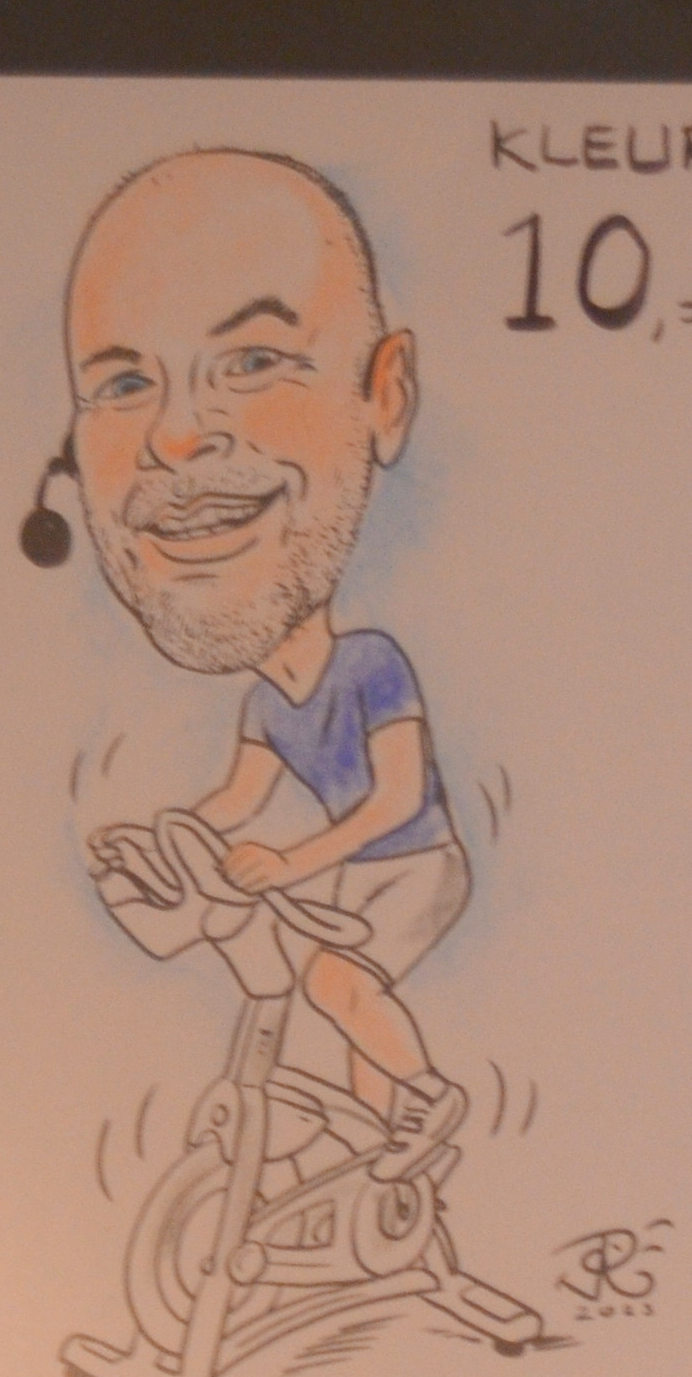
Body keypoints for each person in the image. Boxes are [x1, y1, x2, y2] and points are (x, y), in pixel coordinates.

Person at [67, 144, 470, 1158]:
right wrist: (161, 837)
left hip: (415, 864)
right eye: (125, 382)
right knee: (317, 992)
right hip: (351, 872)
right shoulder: (264, 704)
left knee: (338, 985)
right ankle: (389, 1173)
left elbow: (396, 800)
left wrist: (292, 859)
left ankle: (431, 1098)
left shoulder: (371, 665)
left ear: (385, 395)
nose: (176, 438)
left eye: (251, 362)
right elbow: (236, 801)